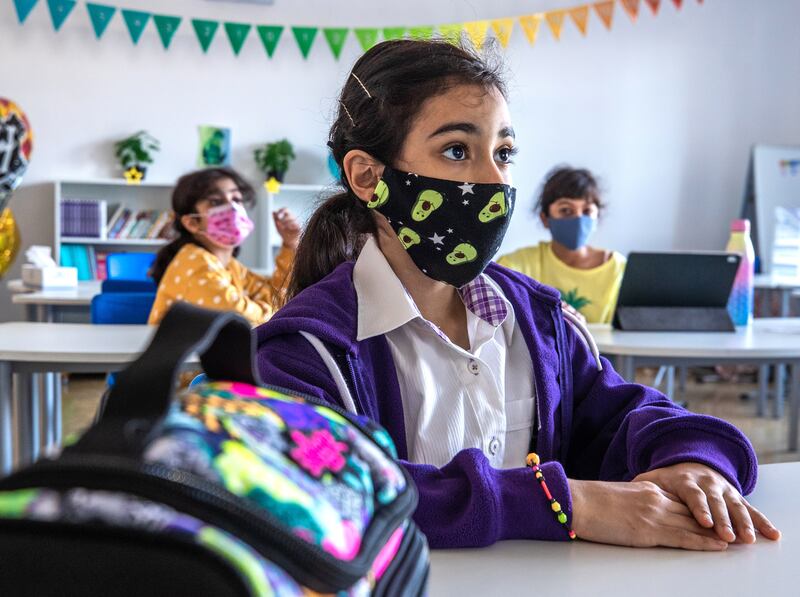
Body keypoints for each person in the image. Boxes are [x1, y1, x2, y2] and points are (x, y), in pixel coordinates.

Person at [254, 39, 779, 550]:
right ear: (368, 177)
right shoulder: (306, 349)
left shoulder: (538, 321)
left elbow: (626, 413)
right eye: (457, 151)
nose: (493, 180)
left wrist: (692, 460)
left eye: (503, 152)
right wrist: (565, 502)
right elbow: (329, 492)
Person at [148, 167, 301, 326]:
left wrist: (290, 244)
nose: (233, 209)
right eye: (216, 201)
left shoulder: (229, 266)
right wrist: (274, 311)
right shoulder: (194, 264)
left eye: (236, 199)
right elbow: (242, 319)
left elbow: (279, 298)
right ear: (192, 223)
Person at [498, 167, 625, 324]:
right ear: (545, 218)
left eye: (586, 211)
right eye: (566, 210)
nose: (578, 219)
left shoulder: (619, 270)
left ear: (597, 217)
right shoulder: (516, 266)